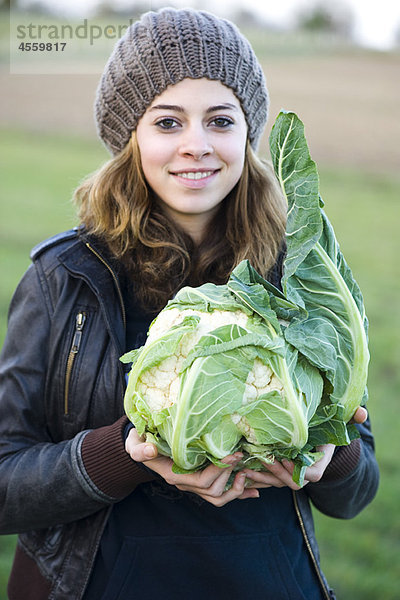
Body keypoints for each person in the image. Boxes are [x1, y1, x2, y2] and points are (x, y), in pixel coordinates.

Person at [0, 8, 379, 600]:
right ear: (133, 138)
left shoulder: (300, 274)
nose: (196, 146)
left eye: (221, 121)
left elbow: (360, 492)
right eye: (168, 122)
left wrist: (333, 456)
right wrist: (122, 455)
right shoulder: (64, 279)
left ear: (247, 136)